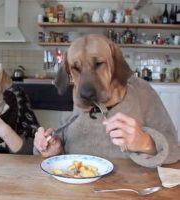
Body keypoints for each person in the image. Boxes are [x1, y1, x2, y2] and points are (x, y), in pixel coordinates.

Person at [33, 34, 180, 168]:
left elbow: (174, 151)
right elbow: (65, 151)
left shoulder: (141, 91)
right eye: (76, 69)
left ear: (115, 64)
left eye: (98, 65)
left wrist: (146, 143)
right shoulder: (78, 98)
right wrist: (54, 150)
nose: (86, 91)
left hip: (128, 190)